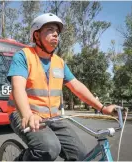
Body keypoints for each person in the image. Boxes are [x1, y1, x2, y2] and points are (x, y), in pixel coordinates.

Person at [7, 13, 118, 161]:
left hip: (53, 118)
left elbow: (76, 86)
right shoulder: (23, 56)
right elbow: (18, 87)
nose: (55, 34)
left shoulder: (59, 63)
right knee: (48, 148)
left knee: (80, 155)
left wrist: (102, 108)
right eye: (50, 30)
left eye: (57, 32)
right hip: (23, 114)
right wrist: (27, 115)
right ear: (36, 35)